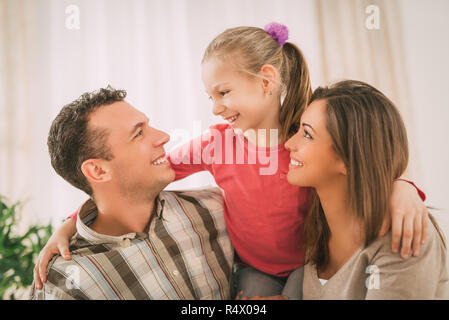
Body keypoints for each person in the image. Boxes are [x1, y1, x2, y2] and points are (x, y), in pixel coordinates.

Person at [34, 23, 428, 298]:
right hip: (254, 270)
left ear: (267, 81)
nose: (217, 108)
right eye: (210, 97)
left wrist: (401, 185)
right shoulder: (215, 145)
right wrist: (72, 224)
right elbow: (138, 175)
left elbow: (362, 155)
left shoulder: (304, 136)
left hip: (308, 263)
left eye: (224, 92)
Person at [29, 87, 233, 299]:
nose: (164, 136)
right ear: (97, 171)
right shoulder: (62, 284)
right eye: (139, 134)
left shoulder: (215, 209)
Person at [282, 80, 448, 299]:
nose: (288, 144)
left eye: (307, 134)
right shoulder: (313, 223)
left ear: (348, 159)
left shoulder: (406, 234)